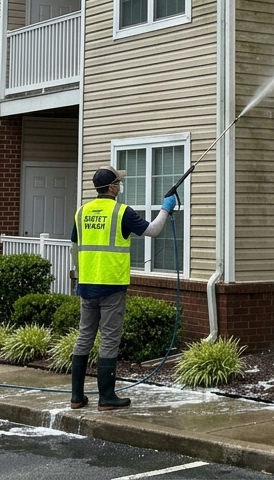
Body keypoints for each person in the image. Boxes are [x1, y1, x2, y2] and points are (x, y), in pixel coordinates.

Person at [69, 166, 178, 410]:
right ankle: (106, 397)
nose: (120, 185)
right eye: (118, 182)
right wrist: (165, 208)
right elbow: (152, 230)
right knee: (109, 339)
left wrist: (79, 276)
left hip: (86, 285)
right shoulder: (121, 212)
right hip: (112, 285)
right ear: (111, 187)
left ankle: (77, 397)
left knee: (84, 336)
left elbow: (75, 245)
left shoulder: (81, 212)